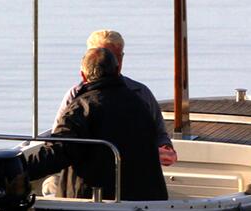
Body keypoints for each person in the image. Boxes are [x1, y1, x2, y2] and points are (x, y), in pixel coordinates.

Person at [23, 47, 169, 201]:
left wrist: (20, 168)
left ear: (83, 75)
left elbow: (59, 151)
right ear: (118, 69)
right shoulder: (141, 104)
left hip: (92, 201)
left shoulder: (81, 108)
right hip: (146, 199)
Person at [55, 30, 177, 167]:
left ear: (121, 59)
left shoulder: (140, 92)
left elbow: (159, 133)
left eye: (115, 57)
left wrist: (166, 148)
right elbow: (60, 140)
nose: (109, 63)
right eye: (102, 57)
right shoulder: (74, 96)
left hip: (133, 171)